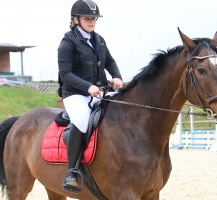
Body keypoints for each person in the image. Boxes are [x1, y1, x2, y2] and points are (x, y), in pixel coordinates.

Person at [58, 0, 123, 192]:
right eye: (88, 18)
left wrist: (117, 76)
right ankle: (71, 171)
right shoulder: (67, 43)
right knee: (82, 120)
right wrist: (88, 87)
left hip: (100, 91)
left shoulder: (99, 40)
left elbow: (110, 62)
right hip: (75, 94)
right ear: (76, 20)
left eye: (94, 18)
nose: (92, 21)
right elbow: (65, 75)